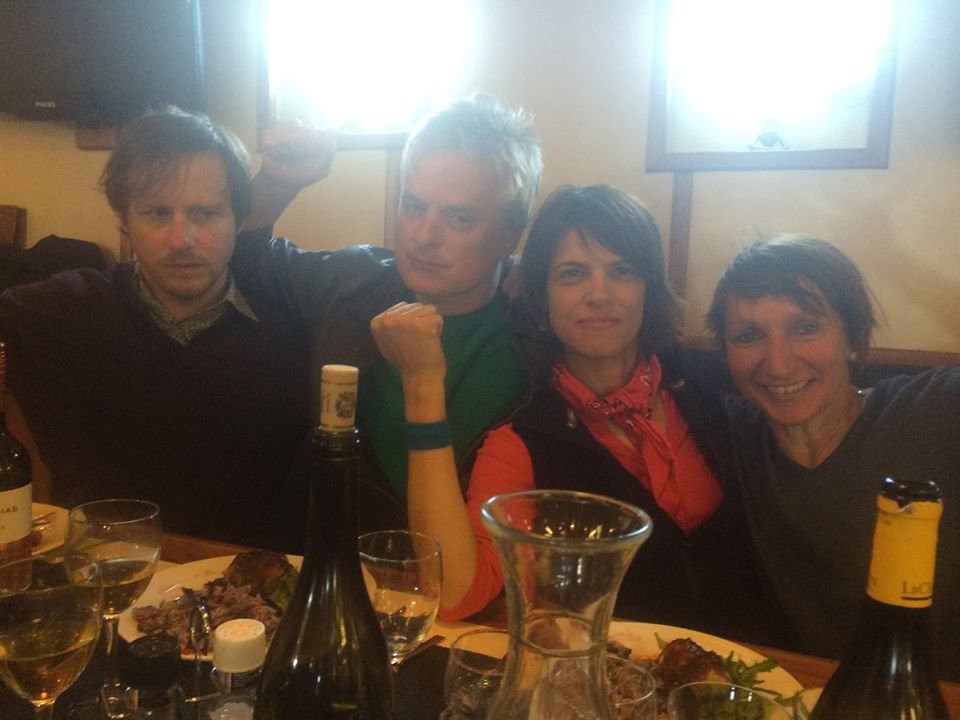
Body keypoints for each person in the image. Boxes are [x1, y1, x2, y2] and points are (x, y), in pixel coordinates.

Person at [375, 185, 767, 637]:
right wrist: (423, 386)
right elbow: (457, 592)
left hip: (754, 663)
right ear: (542, 297)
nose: (599, 294)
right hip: (605, 666)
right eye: (573, 274)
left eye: (622, 271)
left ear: (649, 288)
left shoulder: (704, 387)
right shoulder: (523, 439)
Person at [0, 109, 383, 547]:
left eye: (206, 213)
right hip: (110, 576)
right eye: (157, 214)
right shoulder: (65, 311)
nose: (181, 238)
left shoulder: (294, 314)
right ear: (124, 222)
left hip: (258, 580)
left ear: (240, 220)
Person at [242, 94, 544, 526]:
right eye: (414, 206)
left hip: (460, 564)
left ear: (510, 236)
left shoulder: (534, 350)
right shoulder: (352, 283)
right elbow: (243, 260)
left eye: (459, 218)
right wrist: (276, 182)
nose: (424, 235)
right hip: (330, 554)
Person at [706, 234, 960, 680]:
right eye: (749, 336)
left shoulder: (937, 410)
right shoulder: (726, 435)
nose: (778, 365)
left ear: (853, 338)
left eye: (805, 328)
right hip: (800, 692)